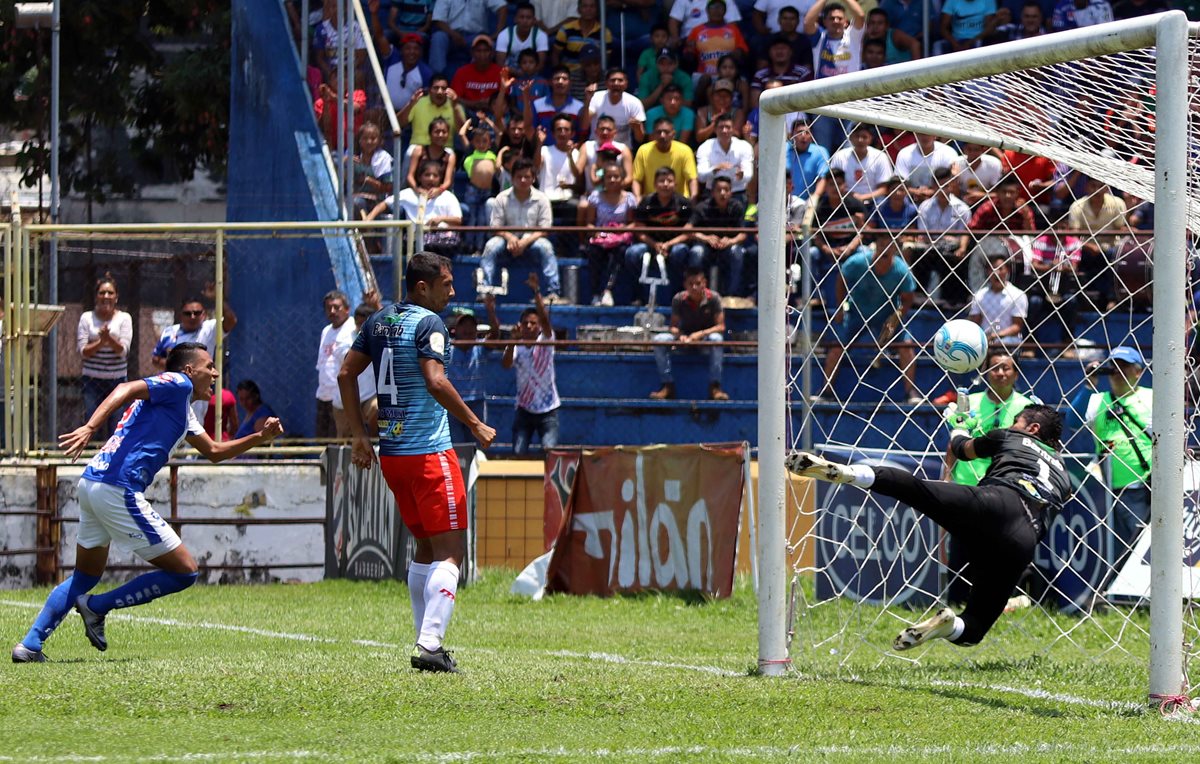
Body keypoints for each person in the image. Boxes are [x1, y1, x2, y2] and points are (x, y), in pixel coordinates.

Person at [11, 342, 284, 662]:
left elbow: (214, 452)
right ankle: (97, 606)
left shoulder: (182, 411)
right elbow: (126, 387)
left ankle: (29, 646)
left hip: (92, 483)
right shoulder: (178, 384)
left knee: (85, 575)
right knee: (185, 572)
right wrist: (90, 426)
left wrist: (259, 438)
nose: (214, 372)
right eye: (208, 366)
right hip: (117, 488)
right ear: (188, 371)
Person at [788, 403, 1070, 650]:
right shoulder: (1064, 475)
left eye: (1016, 421)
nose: (1011, 426)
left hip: (996, 502)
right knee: (974, 630)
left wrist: (959, 425)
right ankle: (947, 626)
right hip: (1024, 540)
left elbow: (963, 449)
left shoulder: (1010, 436)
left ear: (1032, 428)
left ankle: (850, 472)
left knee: (919, 491)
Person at [338, 252, 497, 673]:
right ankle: (430, 644)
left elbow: (345, 374)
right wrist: (475, 423)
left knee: (426, 547)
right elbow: (435, 380)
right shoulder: (430, 324)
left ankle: (424, 639)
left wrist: (359, 435)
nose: (453, 290)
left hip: (393, 456)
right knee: (451, 553)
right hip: (429, 454)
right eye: (447, 283)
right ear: (422, 287)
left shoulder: (378, 321)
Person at [811, 234, 920, 404]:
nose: (885, 248)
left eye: (889, 245)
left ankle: (910, 392)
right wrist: (840, 307)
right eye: (882, 243)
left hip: (886, 315)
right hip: (857, 313)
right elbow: (841, 280)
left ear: (895, 249)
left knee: (906, 346)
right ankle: (826, 391)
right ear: (876, 245)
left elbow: (908, 298)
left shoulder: (901, 270)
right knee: (836, 345)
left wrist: (896, 317)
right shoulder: (858, 262)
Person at [1068, 346, 1153, 557]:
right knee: (1111, 552)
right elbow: (1072, 423)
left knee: (1139, 551)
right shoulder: (1098, 400)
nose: (1118, 371)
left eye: (1125, 366)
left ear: (1139, 371)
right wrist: (1089, 385)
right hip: (1105, 492)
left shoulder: (1154, 398)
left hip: (1141, 488)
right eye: (1114, 366)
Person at [480, 157, 563, 301]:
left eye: (527, 176)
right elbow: (495, 227)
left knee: (546, 247)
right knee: (490, 246)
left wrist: (525, 241)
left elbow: (544, 229)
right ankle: (485, 290)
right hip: (506, 239)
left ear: (533, 178)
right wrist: (510, 237)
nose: (523, 180)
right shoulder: (501, 198)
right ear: (512, 178)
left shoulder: (542, 199)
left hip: (532, 240)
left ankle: (553, 292)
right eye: (519, 176)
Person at [502, 273, 562, 453]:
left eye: (533, 323)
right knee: (518, 453)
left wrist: (537, 292)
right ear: (520, 325)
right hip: (524, 409)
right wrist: (512, 341)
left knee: (549, 453)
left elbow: (545, 319)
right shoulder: (516, 346)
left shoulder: (546, 341)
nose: (529, 326)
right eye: (525, 323)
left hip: (548, 408)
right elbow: (506, 364)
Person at [649, 267, 729, 401]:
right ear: (685, 284)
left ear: (704, 283)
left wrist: (699, 334)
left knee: (717, 339)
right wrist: (681, 336)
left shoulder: (714, 298)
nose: (694, 287)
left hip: (705, 339)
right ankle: (667, 384)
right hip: (685, 338)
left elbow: (721, 326)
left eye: (698, 283)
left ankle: (715, 387)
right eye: (690, 284)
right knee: (659, 339)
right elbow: (673, 327)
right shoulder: (679, 299)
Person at [626, 166, 696, 302]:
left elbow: (688, 233)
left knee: (680, 252)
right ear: (654, 184)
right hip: (650, 244)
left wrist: (668, 244)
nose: (665, 184)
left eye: (669, 181)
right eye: (661, 181)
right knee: (632, 253)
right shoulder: (646, 203)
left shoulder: (683, 204)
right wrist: (654, 244)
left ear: (675, 184)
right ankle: (639, 295)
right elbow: (639, 231)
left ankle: (677, 295)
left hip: (675, 244)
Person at [77, 276, 133, 440]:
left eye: (110, 292)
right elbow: (83, 351)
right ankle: (89, 457)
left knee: (117, 424)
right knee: (91, 422)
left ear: (116, 297)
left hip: (117, 381)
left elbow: (123, 351)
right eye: (102, 292)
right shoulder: (87, 318)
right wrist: (103, 341)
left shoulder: (124, 318)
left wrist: (107, 340)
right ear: (96, 296)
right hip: (92, 380)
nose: (106, 296)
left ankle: (113, 460)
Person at [579, 161, 637, 307]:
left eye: (616, 177)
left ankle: (608, 291)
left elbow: (632, 223)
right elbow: (589, 223)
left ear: (621, 178)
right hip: (600, 239)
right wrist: (596, 232)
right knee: (594, 253)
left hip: (620, 239)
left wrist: (622, 230)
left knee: (621, 253)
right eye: (609, 177)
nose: (612, 180)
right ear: (603, 180)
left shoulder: (629, 198)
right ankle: (595, 294)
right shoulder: (595, 197)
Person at [446, 297, 501, 444]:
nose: (468, 329)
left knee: (475, 446)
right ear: (455, 330)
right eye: (463, 326)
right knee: (457, 446)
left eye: (471, 326)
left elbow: (495, 335)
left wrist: (491, 311)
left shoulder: (480, 348)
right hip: (454, 404)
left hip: (476, 403)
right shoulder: (448, 350)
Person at [686, 176, 751, 298]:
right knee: (696, 252)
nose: (723, 193)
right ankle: (696, 293)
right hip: (705, 247)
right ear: (712, 192)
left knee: (738, 252)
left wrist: (731, 241)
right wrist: (706, 238)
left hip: (727, 247)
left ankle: (733, 296)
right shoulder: (702, 207)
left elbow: (743, 234)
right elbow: (687, 229)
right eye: (719, 190)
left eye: (726, 190)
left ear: (731, 192)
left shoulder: (737, 207)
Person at [151, 288, 238, 372]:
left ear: (204, 314)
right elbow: (156, 359)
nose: (192, 317)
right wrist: (178, 367)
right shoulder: (169, 332)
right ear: (181, 315)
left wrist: (217, 299)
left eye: (197, 313)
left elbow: (231, 321)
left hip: (200, 384)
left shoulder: (210, 329)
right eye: (187, 313)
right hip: (174, 382)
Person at [332, 303, 379, 439]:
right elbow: (346, 359)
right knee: (343, 439)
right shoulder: (346, 340)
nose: (361, 328)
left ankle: (372, 441)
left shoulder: (380, 337)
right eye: (358, 324)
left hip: (369, 397)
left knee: (378, 409)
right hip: (345, 398)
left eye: (365, 324)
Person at [315, 290, 357, 439]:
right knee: (322, 441)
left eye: (336, 307)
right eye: (328, 308)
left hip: (341, 397)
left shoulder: (353, 329)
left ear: (347, 309)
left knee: (339, 441)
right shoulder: (326, 331)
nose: (332, 311)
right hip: (324, 395)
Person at [428, 0, 507, 74]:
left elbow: (502, 6)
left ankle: (480, 80)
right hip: (450, 35)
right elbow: (438, 20)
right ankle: (437, 78)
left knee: (491, 45)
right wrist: (453, 34)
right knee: (438, 37)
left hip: (475, 36)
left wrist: (498, 32)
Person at [632, 118, 699, 200]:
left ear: (673, 134)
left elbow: (692, 178)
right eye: (658, 132)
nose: (662, 135)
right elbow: (636, 179)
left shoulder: (685, 151)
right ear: (653, 134)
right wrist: (637, 198)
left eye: (666, 132)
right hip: (652, 201)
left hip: (679, 201)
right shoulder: (643, 151)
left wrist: (693, 198)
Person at [828, 123, 893, 207]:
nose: (860, 140)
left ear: (870, 139)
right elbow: (832, 183)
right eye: (857, 136)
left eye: (864, 137)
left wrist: (862, 197)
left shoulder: (880, 157)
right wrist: (850, 196)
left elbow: (884, 188)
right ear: (850, 137)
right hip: (844, 200)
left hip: (873, 202)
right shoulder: (840, 156)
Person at [696, 114, 755, 202]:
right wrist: (714, 169)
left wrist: (742, 175)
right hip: (712, 193)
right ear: (715, 130)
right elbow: (701, 176)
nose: (724, 131)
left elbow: (749, 174)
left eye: (728, 127)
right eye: (721, 127)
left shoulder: (744, 146)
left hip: (737, 193)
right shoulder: (705, 147)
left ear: (733, 129)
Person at [583, 68, 647, 147]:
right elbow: (584, 126)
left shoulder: (634, 103)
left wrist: (637, 127)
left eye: (620, 80)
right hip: (596, 146)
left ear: (626, 84)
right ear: (606, 83)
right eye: (613, 80)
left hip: (622, 149)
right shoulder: (595, 97)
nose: (616, 83)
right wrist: (587, 101)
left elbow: (640, 139)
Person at [496, 2, 549, 71]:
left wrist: (526, 75)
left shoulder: (541, 36)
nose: (525, 21)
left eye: (528, 18)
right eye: (521, 17)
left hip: (532, 74)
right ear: (515, 19)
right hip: (510, 74)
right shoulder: (504, 35)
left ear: (534, 20)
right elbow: (500, 64)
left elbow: (540, 65)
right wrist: (518, 74)